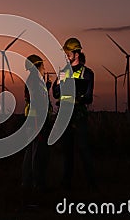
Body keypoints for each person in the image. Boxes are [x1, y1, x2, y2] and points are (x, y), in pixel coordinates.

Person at [52, 37, 96, 191]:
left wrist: (77, 94)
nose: (66, 56)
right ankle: (66, 183)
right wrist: (58, 83)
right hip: (65, 115)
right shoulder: (62, 73)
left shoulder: (87, 73)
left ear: (76, 53)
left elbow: (89, 96)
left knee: (84, 149)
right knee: (67, 150)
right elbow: (56, 94)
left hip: (79, 115)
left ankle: (92, 184)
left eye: (68, 53)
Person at [22, 54, 53, 192]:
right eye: (43, 66)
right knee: (37, 154)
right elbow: (37, 103)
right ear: (37, 66)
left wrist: (46, 86)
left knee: (30, 153)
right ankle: (37, 184)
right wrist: (38, 127)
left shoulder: (32, 80)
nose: (44, 69)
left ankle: (27, 182)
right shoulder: (35, 81)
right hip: (36, 123)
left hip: (31, 122)